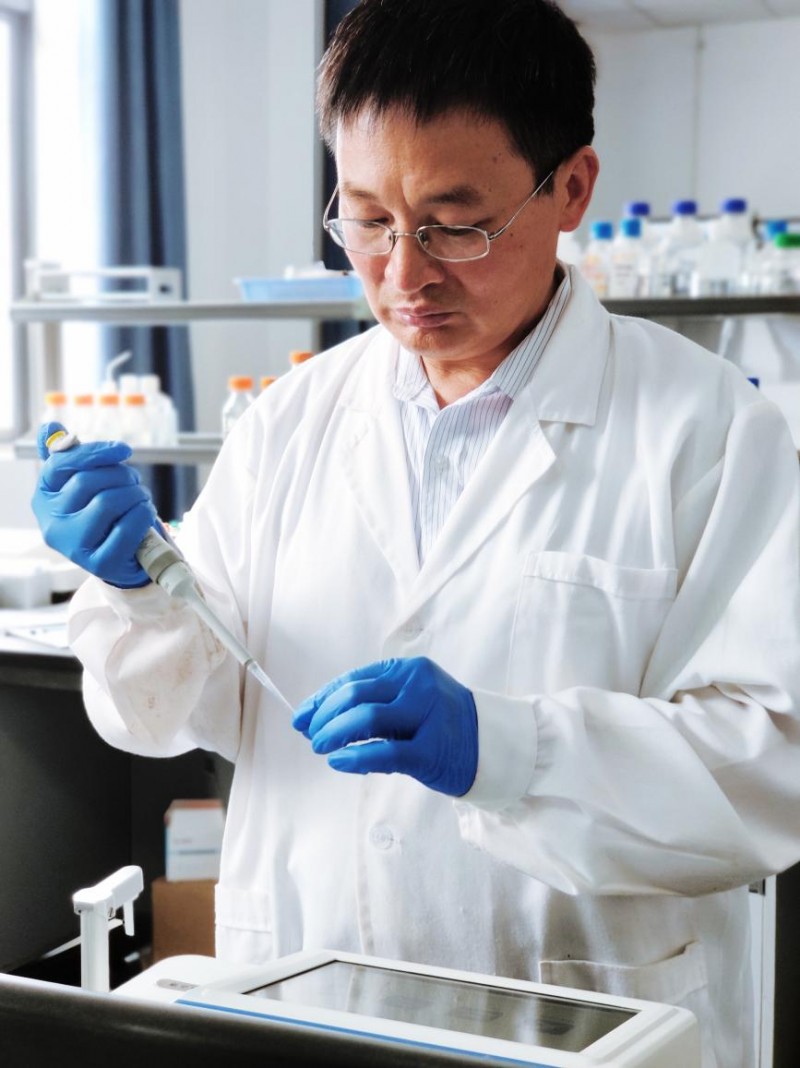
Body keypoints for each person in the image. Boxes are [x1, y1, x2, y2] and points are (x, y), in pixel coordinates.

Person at [32, 2, 800, 1065]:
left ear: (571, 187)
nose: (403, 275)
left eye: (453, 224)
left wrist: (507, 749)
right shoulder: (289, 423)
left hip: (580, 1018)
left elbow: (773, 764)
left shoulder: (710, 432)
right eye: (367, 221)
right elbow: (172, 710)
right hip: (301, 998)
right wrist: (135, 586)